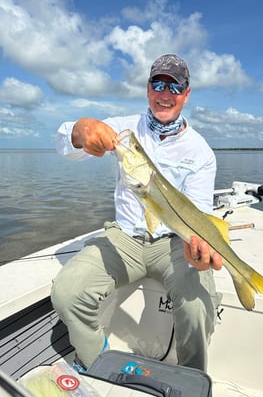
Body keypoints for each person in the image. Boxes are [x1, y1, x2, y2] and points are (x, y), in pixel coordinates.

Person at [51, 54, 223, 373]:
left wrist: (200, 251)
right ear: (147, 89)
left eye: (175, 87)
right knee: (66, 292)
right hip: (124, 239)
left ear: (186, 94)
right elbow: (66, 143)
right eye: (158, 84)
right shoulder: (124, 129)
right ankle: (97, 363)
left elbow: (199, 215)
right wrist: (82, 129)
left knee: (197, 308)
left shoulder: (200, 151)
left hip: (175, 243)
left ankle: (191, 377)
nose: (165, 94)